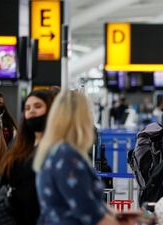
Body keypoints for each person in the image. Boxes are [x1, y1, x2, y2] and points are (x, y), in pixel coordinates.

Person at [33, 91, 135, 225]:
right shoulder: (67, 156)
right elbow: (89, 213)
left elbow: (88, 204)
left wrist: (117, 215)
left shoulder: (53, 151)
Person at [0, 90, 54, 225]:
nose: (32, 111)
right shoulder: (18, 147)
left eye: (38, 106)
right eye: (27, 108)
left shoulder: (60, 149)